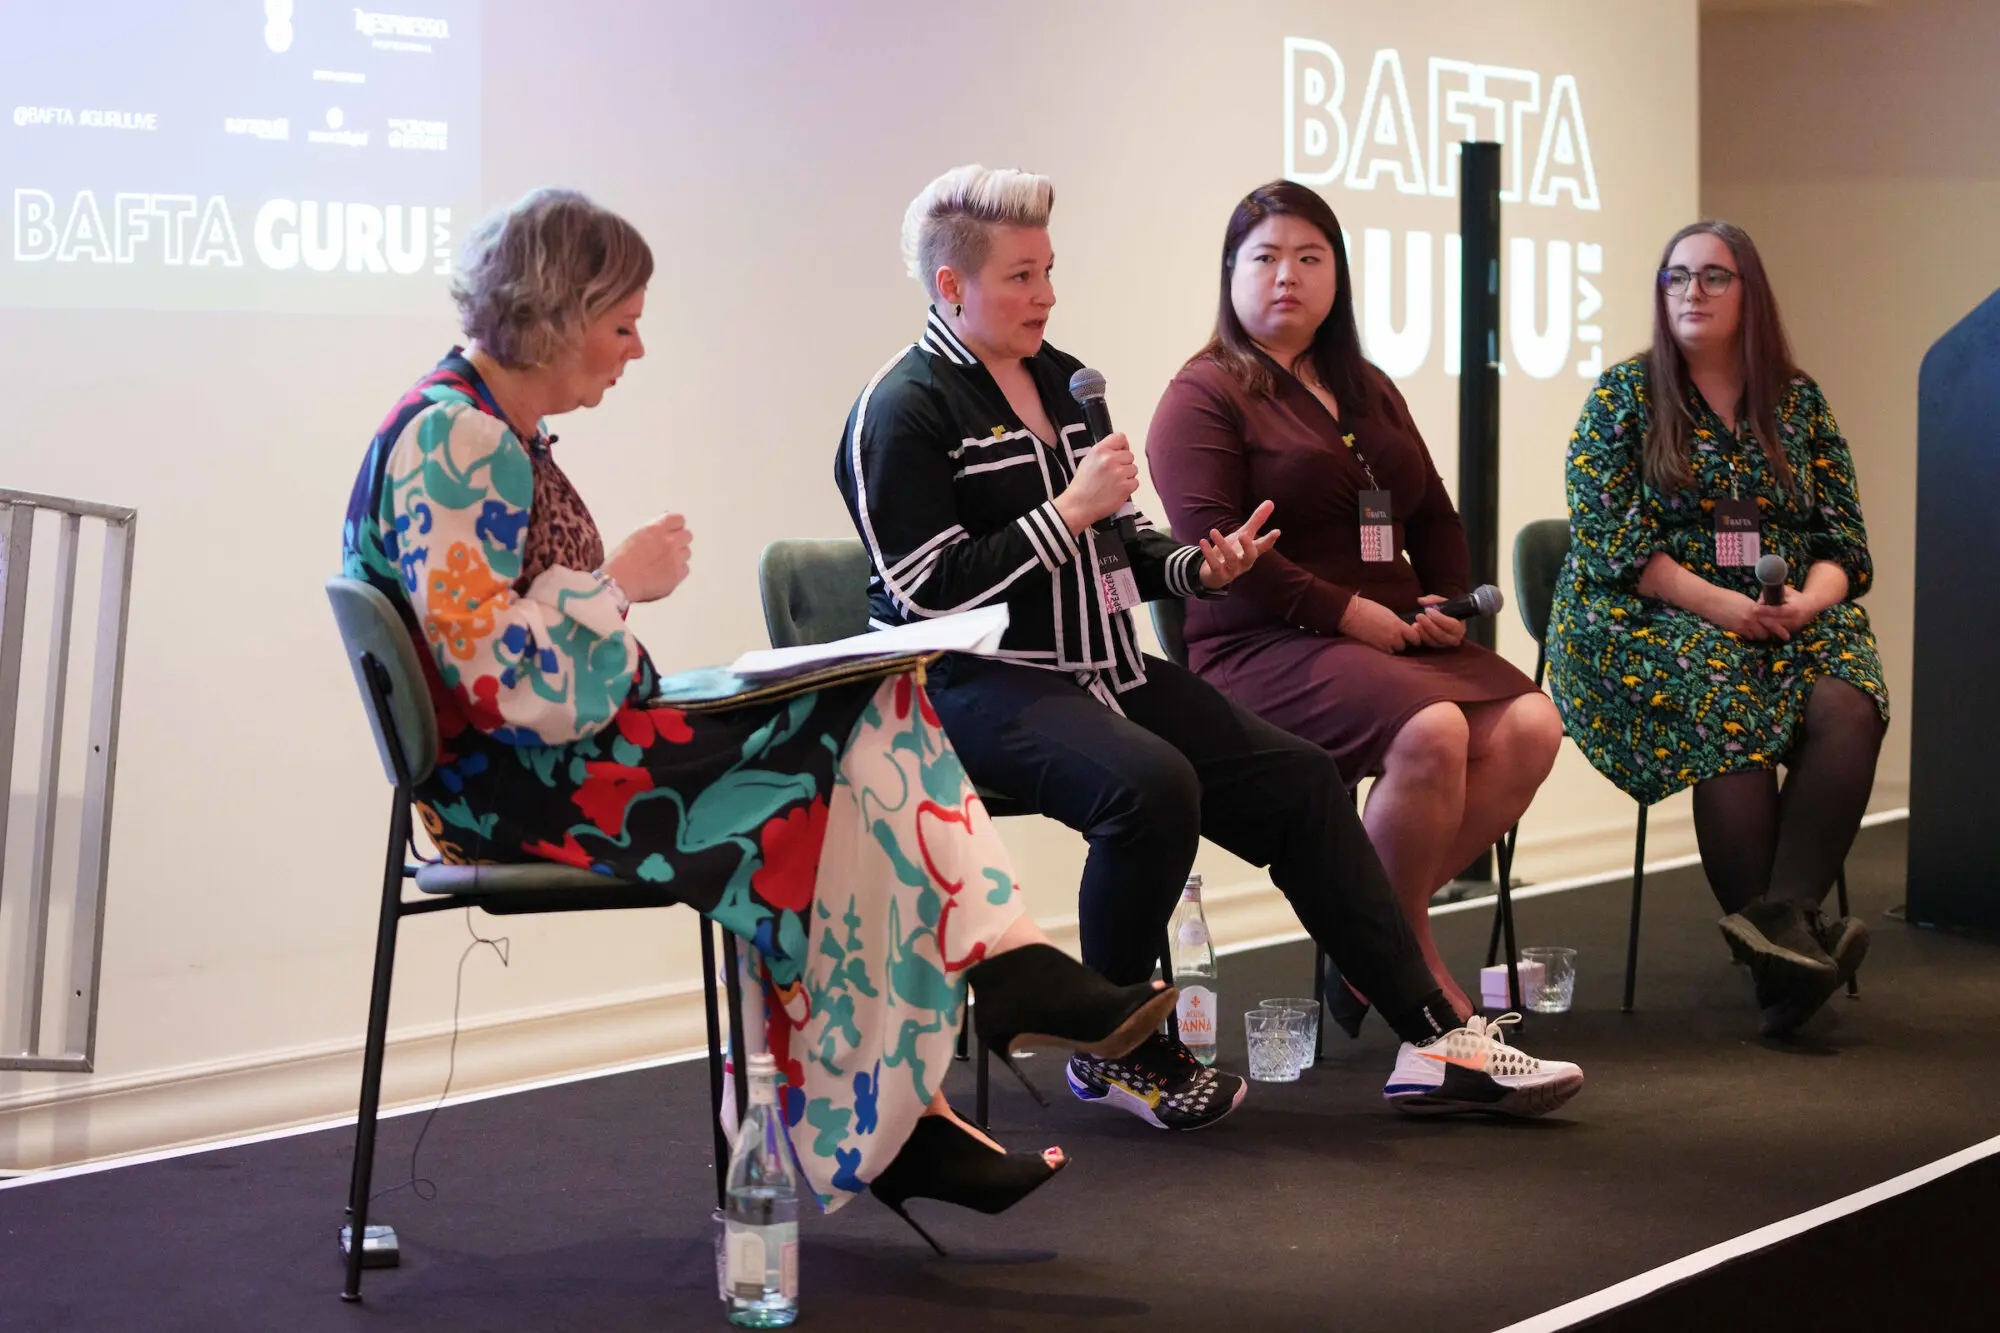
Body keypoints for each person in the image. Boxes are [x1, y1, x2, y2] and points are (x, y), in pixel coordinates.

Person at [339, 188, 1184, 1251]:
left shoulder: (479, 425)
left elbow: (508, 645)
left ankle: (942, 1058)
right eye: (621, 322)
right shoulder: (456, 441)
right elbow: (498, 682)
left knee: (866, 714)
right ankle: (954, 1032)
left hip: (566, 752)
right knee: (829, 778)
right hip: (520, 786)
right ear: (557, 313)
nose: (636, 348)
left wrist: (604, 601)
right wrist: (618, 588)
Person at [836, 164, 1586, 1126]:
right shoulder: (900, 408)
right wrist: (1069, 511)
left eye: (1049, 271)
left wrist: (1196, 569)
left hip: (1098, 667)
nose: (1047, 295)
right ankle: (1116, 1040)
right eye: (1023, 276)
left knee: (1303, 782)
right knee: (1151, 786)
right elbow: (922, 587)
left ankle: (1435, 1034)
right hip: (968, 683)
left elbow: (1117, 543)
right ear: (952, 286)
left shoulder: (1065, 381)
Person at [1148, 181, 1563, 1025]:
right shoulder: (1204, 393)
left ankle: (1365, 947)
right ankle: (1405, 956)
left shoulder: (1366, 384)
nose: (1286, 276)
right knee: (1435, 730)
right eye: (1263, 258)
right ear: (1230, 273)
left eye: (1310, 257)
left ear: (1337, 275)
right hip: (1263, 645)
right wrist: (1347, 613)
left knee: (1532, 726)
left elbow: (1434, 513)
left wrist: (1445, 596)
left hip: (1395, 641)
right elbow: (1220, 547)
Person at [1545, 220, 1888, 1037]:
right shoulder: (1623, 396)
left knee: (1851, 690)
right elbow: (1614, 544)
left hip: (1782, 611)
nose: (1690, 293)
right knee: (1719, 683)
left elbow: (1845, 547)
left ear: (1750, 294)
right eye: (1675, 278)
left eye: (1712, 277)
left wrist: (1808, 601)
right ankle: (1793, 951)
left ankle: (1784, 932)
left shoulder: (1797, 402)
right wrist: (1724, 606)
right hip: (1640, 614)